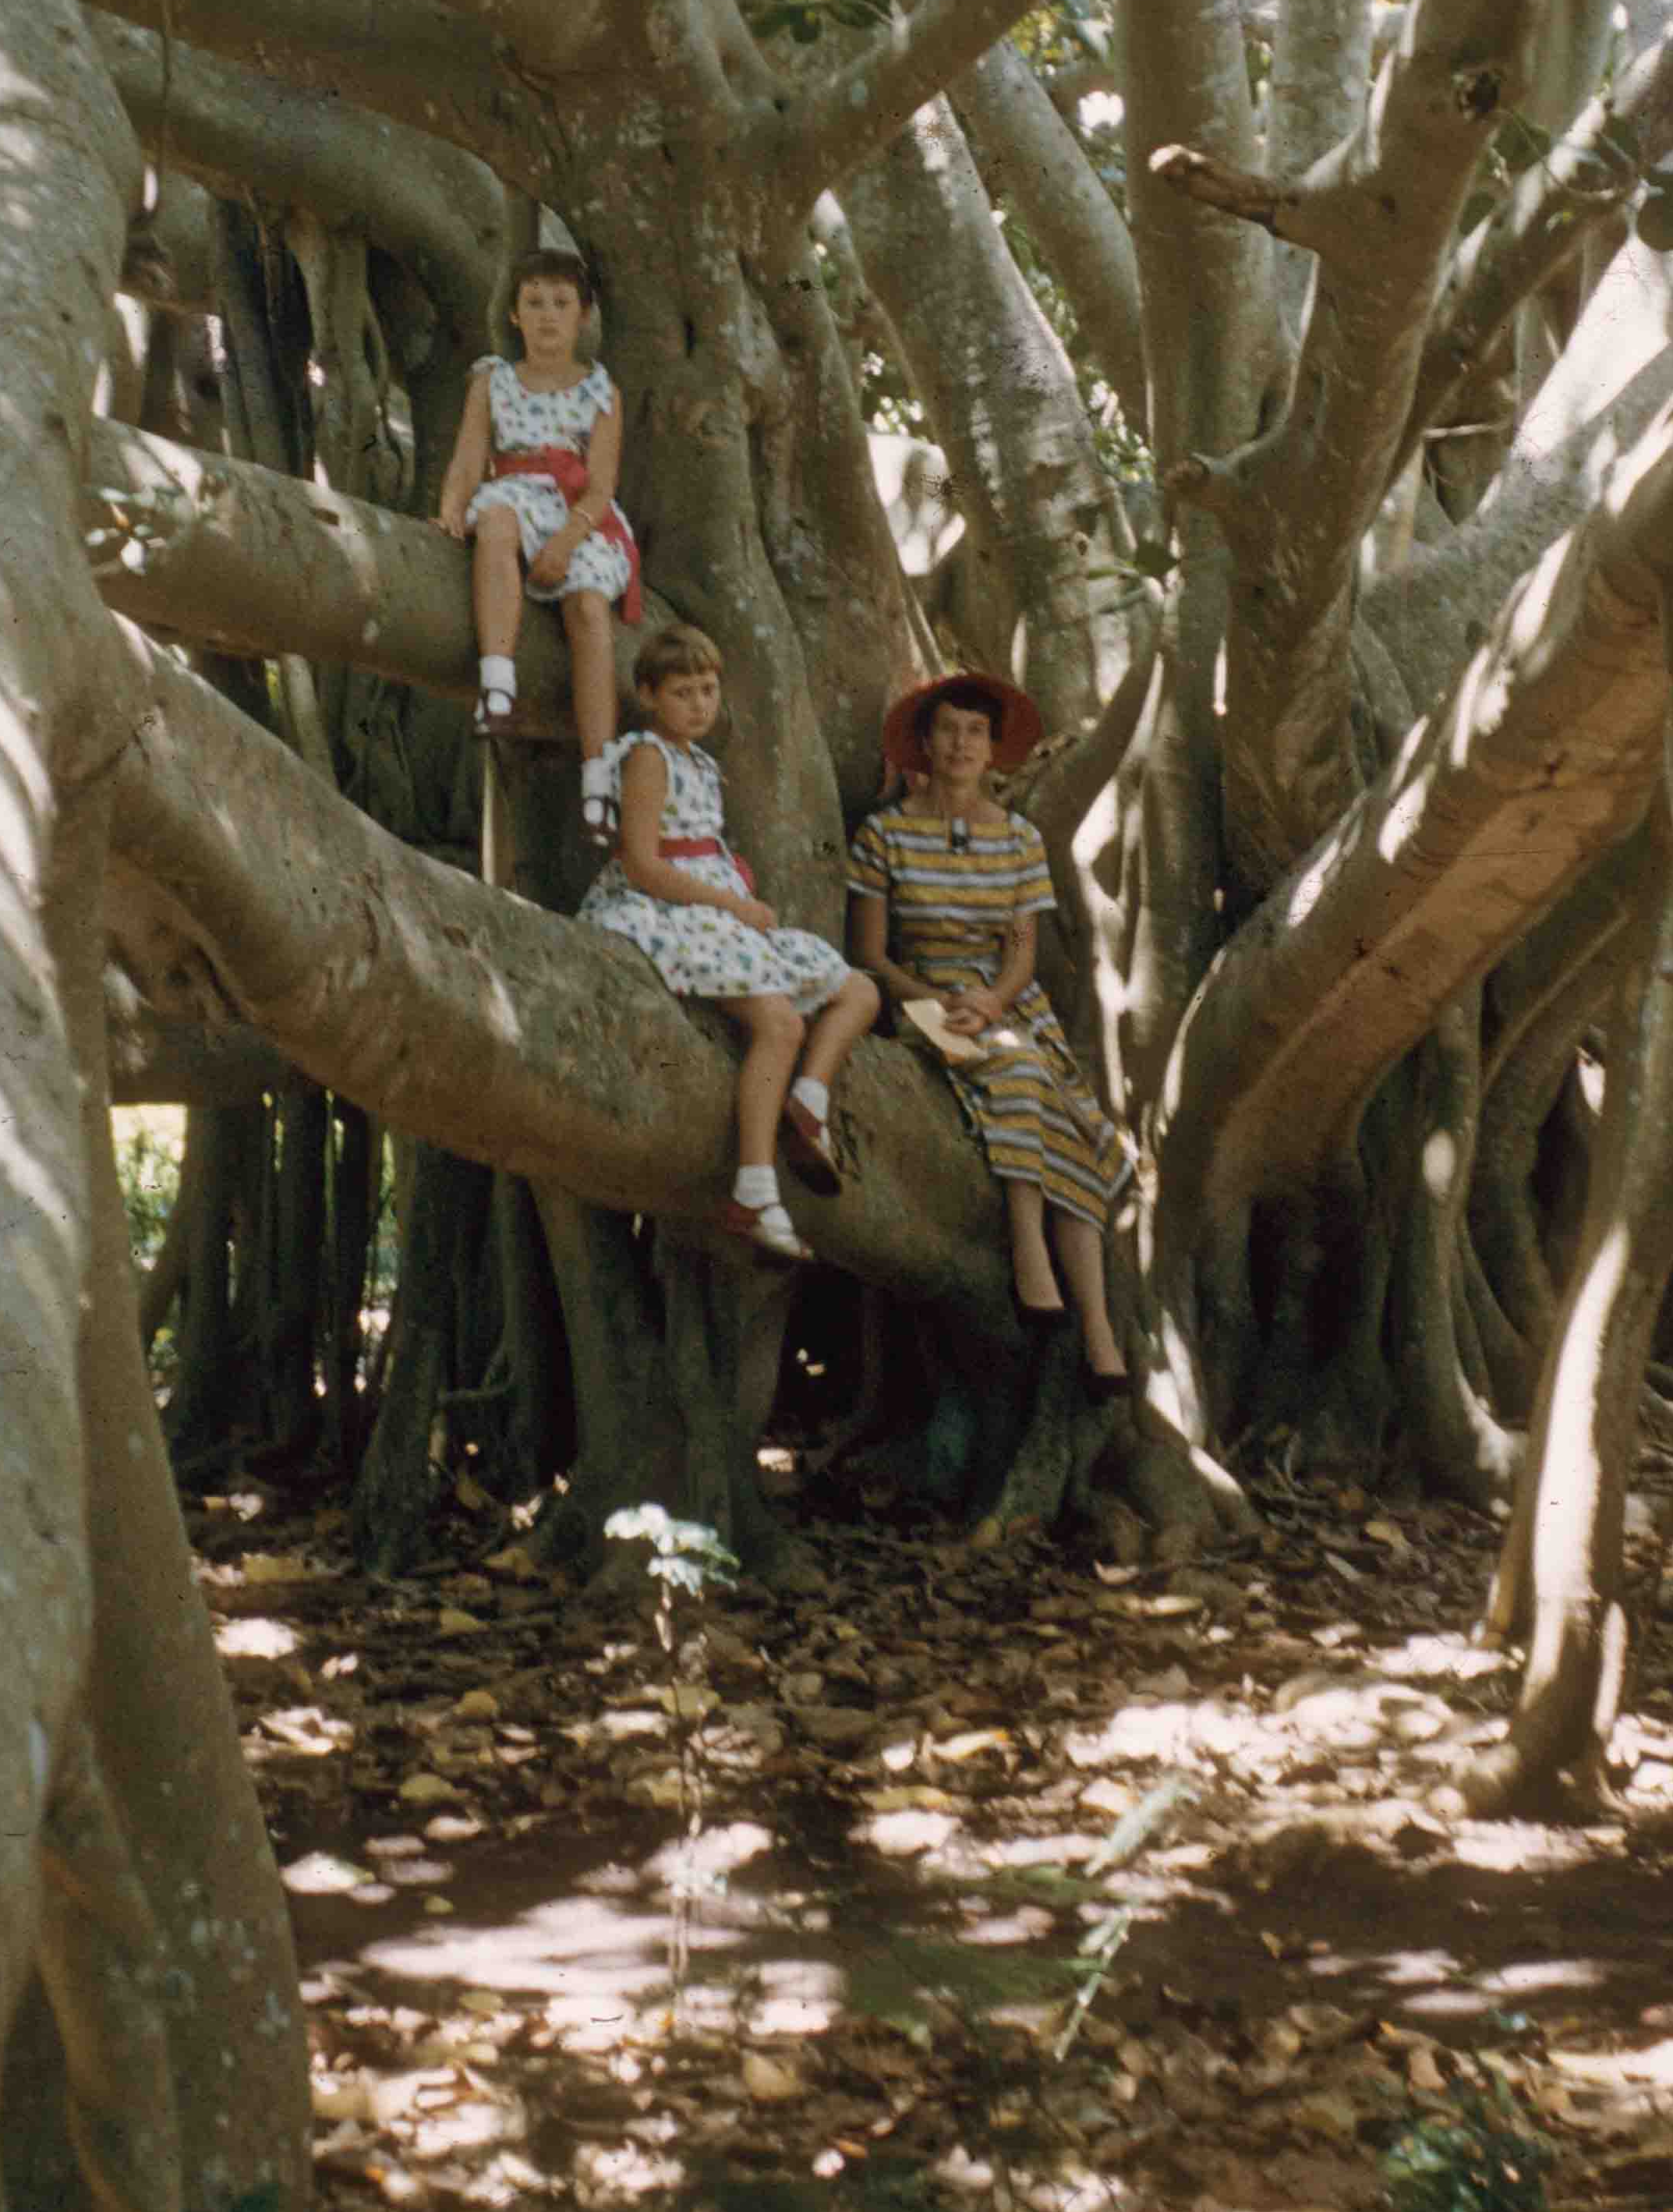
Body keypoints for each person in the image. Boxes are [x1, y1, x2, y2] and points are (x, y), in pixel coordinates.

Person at [847, 671, 1142, 1396]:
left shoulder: (1017, 839)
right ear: (925, 741)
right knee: (1020, 1075)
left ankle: (1099, 1335)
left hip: (1006, 1004)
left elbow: (1022, 952)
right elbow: (872, 956)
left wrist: (991, 1000)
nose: (961, 744)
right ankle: (1027, 1253)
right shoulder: (884, 834)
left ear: (992, 748)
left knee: (1076, 1126)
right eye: (947, 729)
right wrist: (941, 1000)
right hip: (920, 1001)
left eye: (976, 733)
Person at [581, 628, 879, 1261]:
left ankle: (807, 1102)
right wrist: (732, 904)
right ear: (648, 696)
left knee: (858, 989)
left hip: (719, 910)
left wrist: (737, 906)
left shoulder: (703, 764)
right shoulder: (648, 758)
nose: (699, 704)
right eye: (682, 692)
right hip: (665, 908)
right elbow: (641, 864)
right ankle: (753, 1188)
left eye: (708, 690)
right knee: (778, 1023)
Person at [434, 247, 635, 837]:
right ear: (516, 314)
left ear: (583, 316)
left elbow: (600, 486)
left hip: (576, 513)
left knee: (589, 609)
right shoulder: (493, 379)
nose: (548, 315)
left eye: (561, 303)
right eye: (535, 303)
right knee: (495, 518)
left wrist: (567, 544)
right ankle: (497, 679)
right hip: (514, 494)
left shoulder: (600, 391)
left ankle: (599, 772)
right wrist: (450, 512)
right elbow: (470, 458)